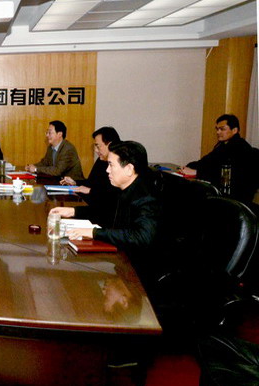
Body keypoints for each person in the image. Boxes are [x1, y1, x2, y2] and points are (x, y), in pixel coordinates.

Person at [50, 141, 161, 279]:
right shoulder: (124, 188)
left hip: (138, 273)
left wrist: (93, 232)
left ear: (129, 169)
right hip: (120, 262)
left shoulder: (146, 197)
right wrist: (73, 211)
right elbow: (105, 212)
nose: (107, 170)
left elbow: (141, 237)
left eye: (111, 165)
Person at [181, 114, 258, 203]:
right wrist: (188, 167)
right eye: (217, 129)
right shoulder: (222, 146)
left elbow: (228, 175)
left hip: (235, 198)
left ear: (234, 130)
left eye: (222, 129)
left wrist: (197, 172)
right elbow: (205, 162)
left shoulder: (242, 148)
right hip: (220, 192)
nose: (218, 132)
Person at [60, 126, 121, 224]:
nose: (96, 150)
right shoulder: (101, 160)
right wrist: (75, 182)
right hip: (94, 209)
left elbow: (111, 198)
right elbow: (91, 182)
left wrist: (91, 191)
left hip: (106, 218)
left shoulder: (120, 165)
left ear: (109, 145)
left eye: (98, 146)